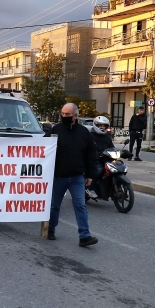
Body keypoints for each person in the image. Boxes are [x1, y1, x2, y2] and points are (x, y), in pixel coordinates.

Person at [45, 103, 98, 247]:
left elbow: (90, 155)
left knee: (80, 205)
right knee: (55, 205)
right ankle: (50, 229)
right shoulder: (55, 130)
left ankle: (84, 236)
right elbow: (44, 149)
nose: (64, 116)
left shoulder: (83, 133)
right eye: (62, 113)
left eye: (67, 114)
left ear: (75, 116)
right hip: (58, 176)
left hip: (76, 177)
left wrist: (90, 175)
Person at [87, 115, 115, 199]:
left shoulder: (107, 137)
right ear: (96, 125)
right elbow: (86, 147)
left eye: (104, 126)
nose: (102, 127)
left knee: (116, 167)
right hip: (94, 159)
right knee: (99, 169)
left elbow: (112, 147)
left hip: (106, 158)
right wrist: (93, 153)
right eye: (100, 125)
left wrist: (123, 152)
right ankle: (90, 188)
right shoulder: (90, 136)